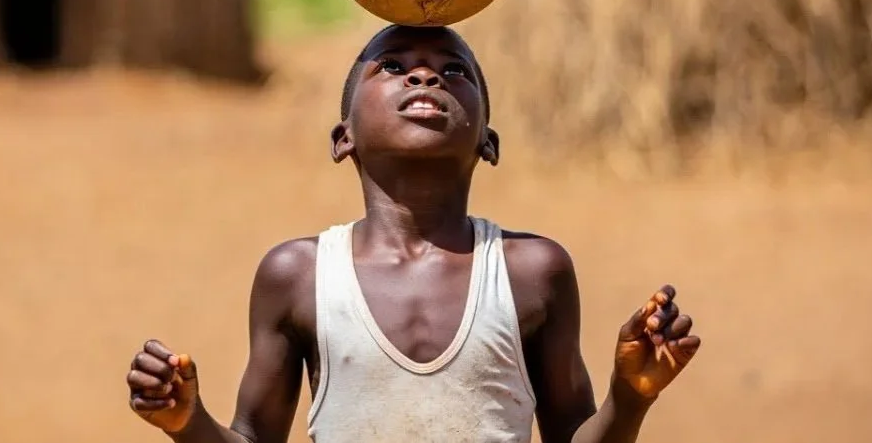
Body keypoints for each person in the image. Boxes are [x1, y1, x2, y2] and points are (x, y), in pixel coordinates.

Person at [125, 25, 701, 442]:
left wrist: (630, 397)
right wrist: (188, 422)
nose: (426, 74)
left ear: (487, 143)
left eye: (455, 70)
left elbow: (573, 435)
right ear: (343, 137)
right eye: (393, 67)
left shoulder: (531, 271)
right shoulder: (299, 277)